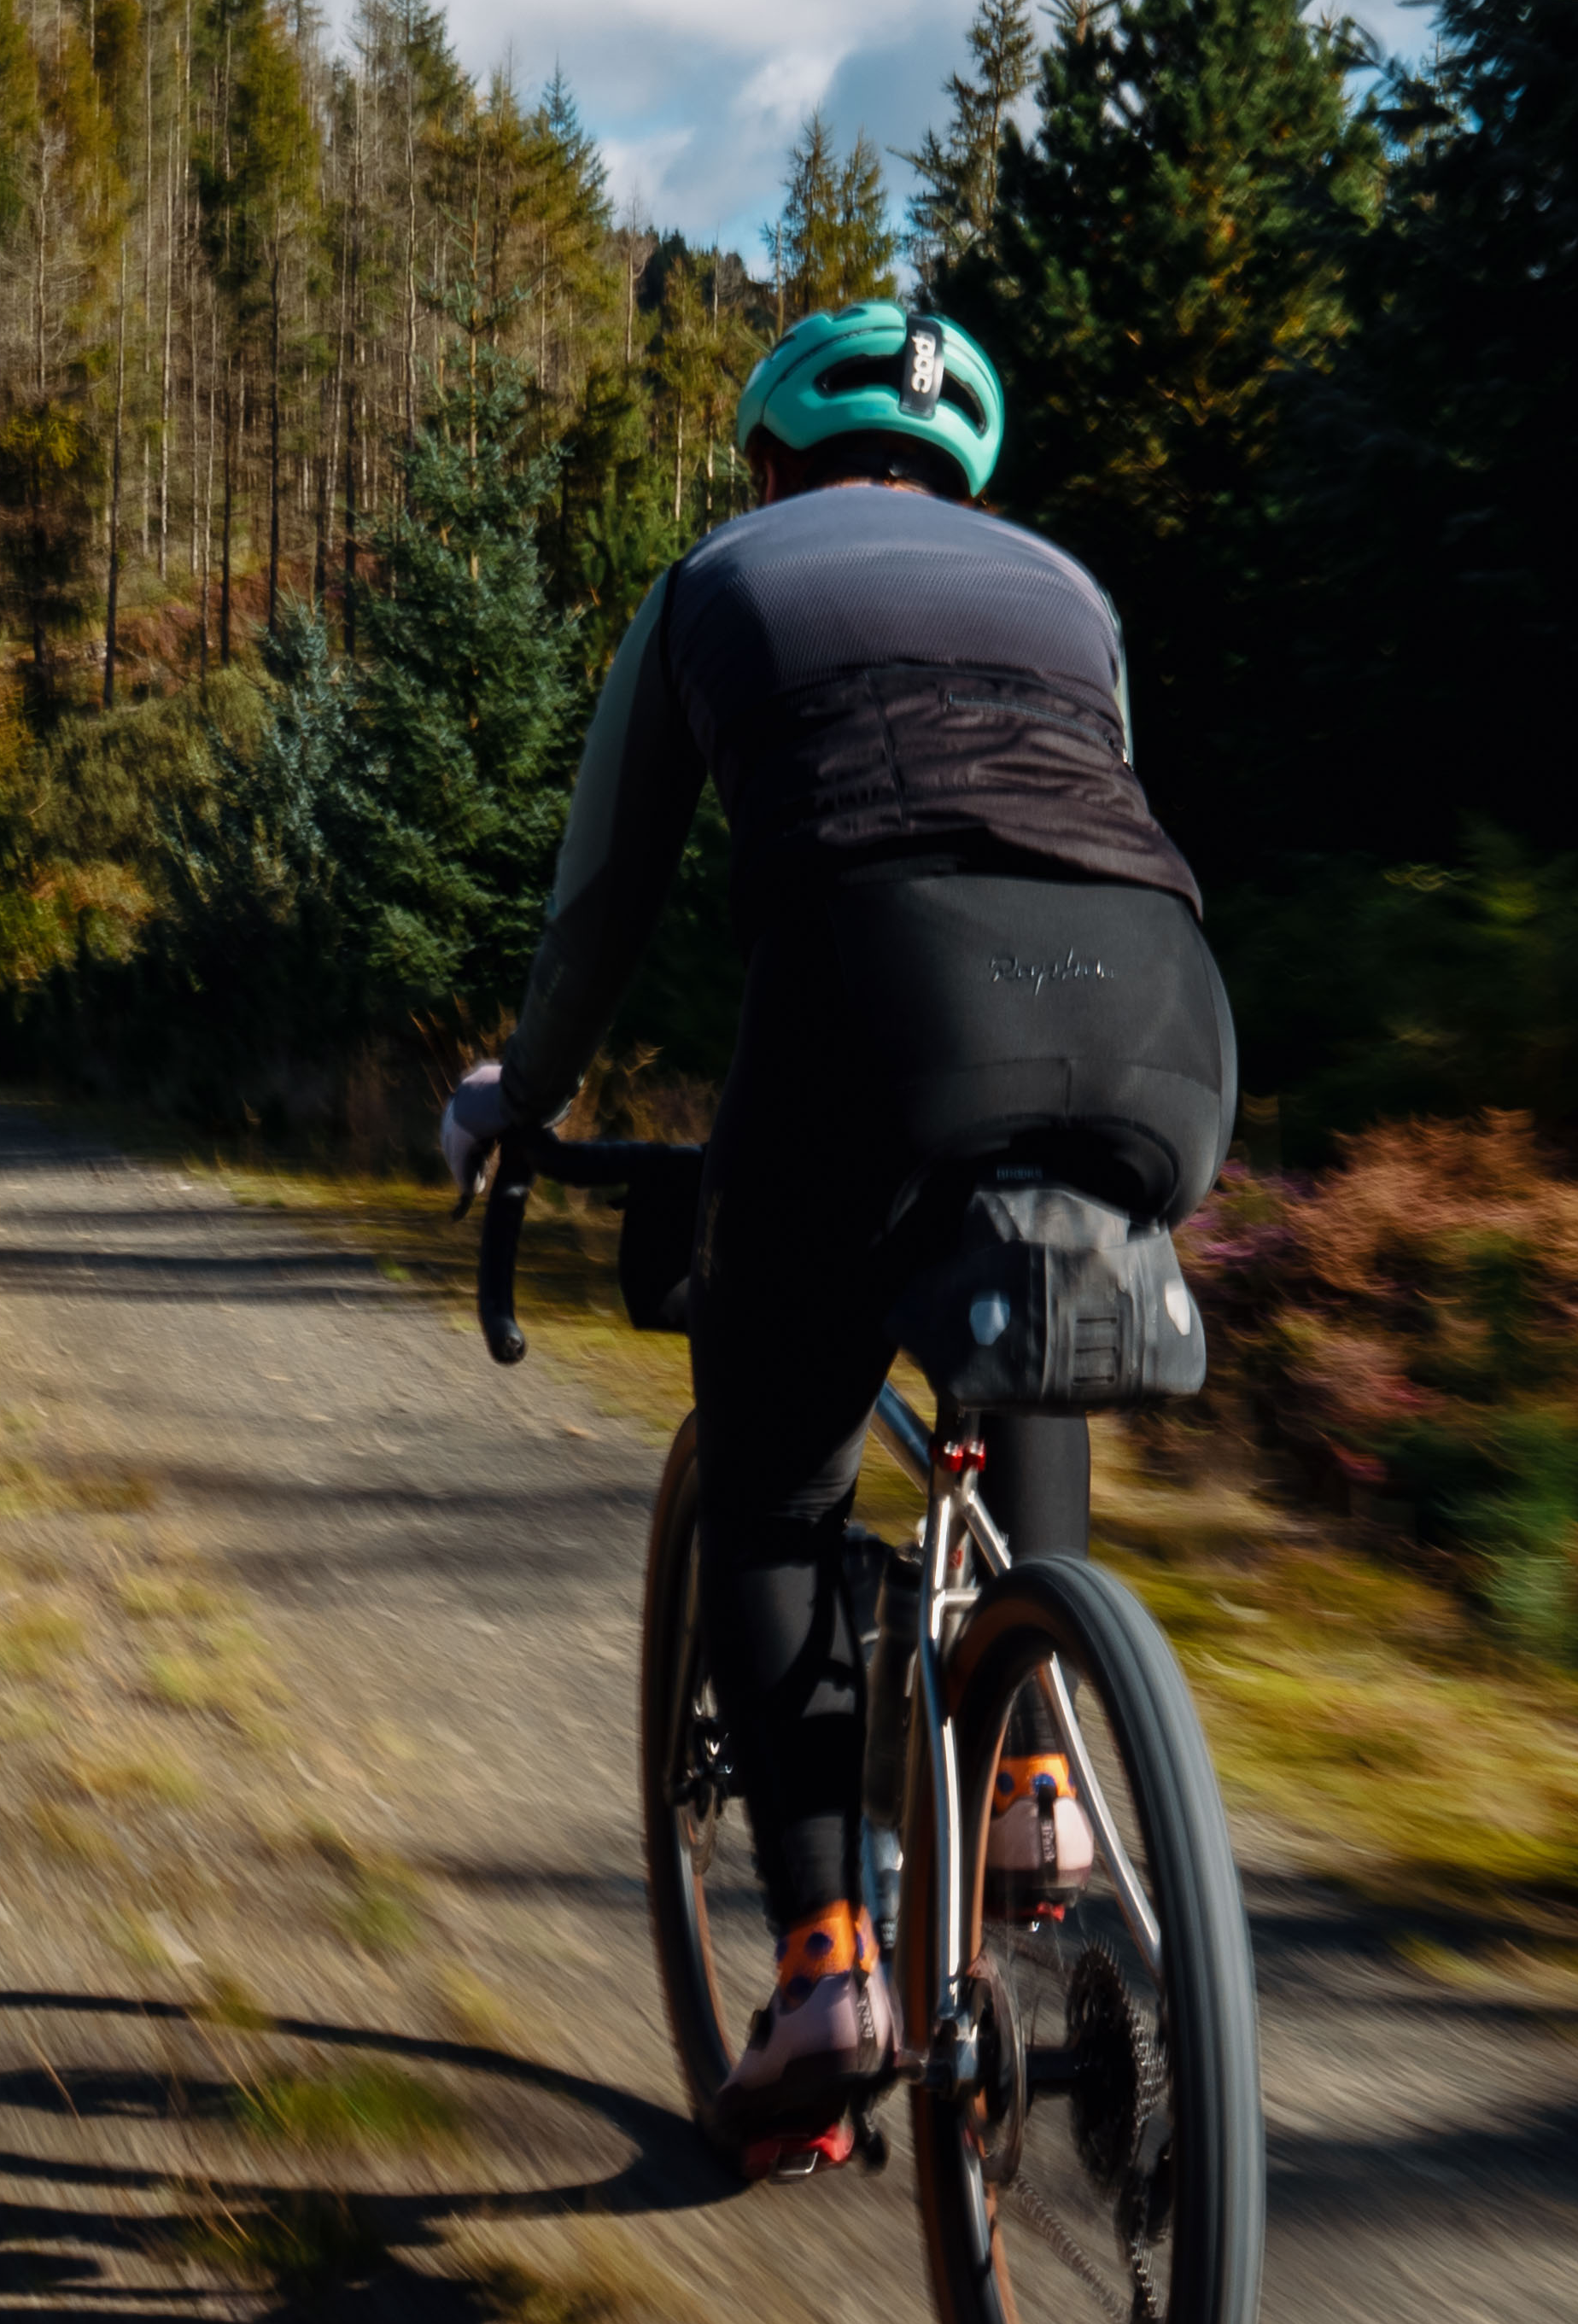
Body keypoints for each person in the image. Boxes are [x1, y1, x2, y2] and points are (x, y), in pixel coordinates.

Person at [444, 301, 1236, 2142]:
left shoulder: (715, 580)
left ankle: (823, 1971)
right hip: (1163, 1019)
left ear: (774, 460)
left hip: (884, 1004)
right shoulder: (1070, 591)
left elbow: (600, 912)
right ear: (962, 476)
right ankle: (1036, 1768)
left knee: (773, 1473)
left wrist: (520, 1098)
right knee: (1032, 1287)